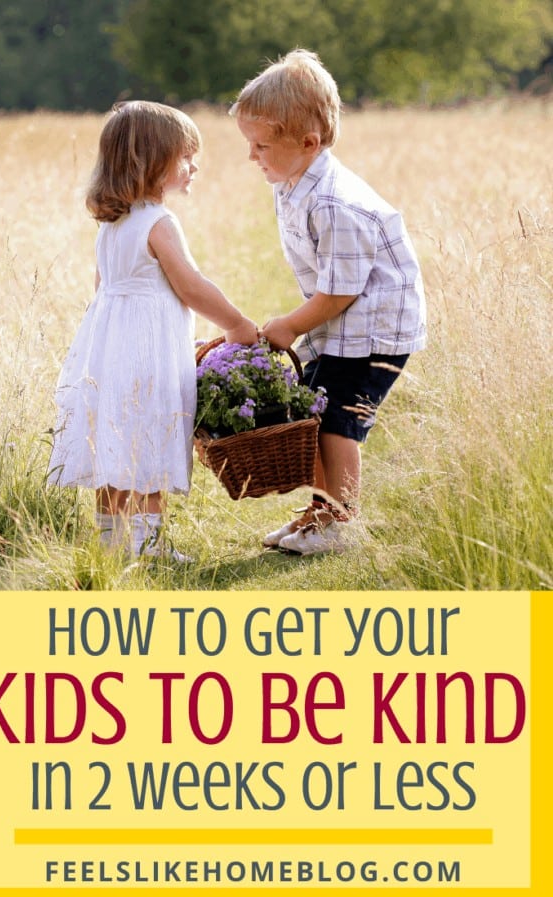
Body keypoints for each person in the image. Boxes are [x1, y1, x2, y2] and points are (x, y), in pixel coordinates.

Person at [230, 49, 426, 556]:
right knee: (312, 414)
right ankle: (320, 512)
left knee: (338, 421)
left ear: (308, 142)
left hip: (374, 329)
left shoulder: (334, 203)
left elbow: (342, 289)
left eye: (261, 145)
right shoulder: (291, 181)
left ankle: (341, 523)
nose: (252, 157)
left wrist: (291, 325)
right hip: (341, 326)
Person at [48, 100, 257, 562]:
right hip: (147, 354)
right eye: (185, 156)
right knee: (149, 437)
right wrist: (237, 324)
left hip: (109, 351)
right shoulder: (160, 223)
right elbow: (192, 288)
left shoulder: (112, 225)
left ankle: (111, 539)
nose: (194, 165)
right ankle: (147, 546)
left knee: (116, 440)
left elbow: (103, 289)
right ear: (152, 162)